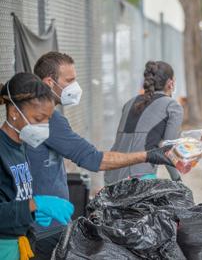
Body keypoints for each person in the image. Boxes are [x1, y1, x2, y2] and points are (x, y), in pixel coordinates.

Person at [29, 52, 174, 259]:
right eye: (69, 81)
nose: (75, 87)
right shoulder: (47, 118)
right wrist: (148, 155)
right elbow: (94, 159)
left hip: (44, 222)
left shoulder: (38, 116)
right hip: (44, 227)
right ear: (49, 82)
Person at [0, 73, 74, 260]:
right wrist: (36, 203)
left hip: (20, 244)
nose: (44, 126)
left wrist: (32, 212)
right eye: (38, 118)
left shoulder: (20, 146)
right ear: (14, 113)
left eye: (47, 119)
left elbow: (14, 197)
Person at [104, 61, 183, 184]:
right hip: (139, 179)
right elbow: (168, 150)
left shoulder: (130, 103)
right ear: (170, 83)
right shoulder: (172, 106)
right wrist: (177, 179)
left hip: (111, 176)